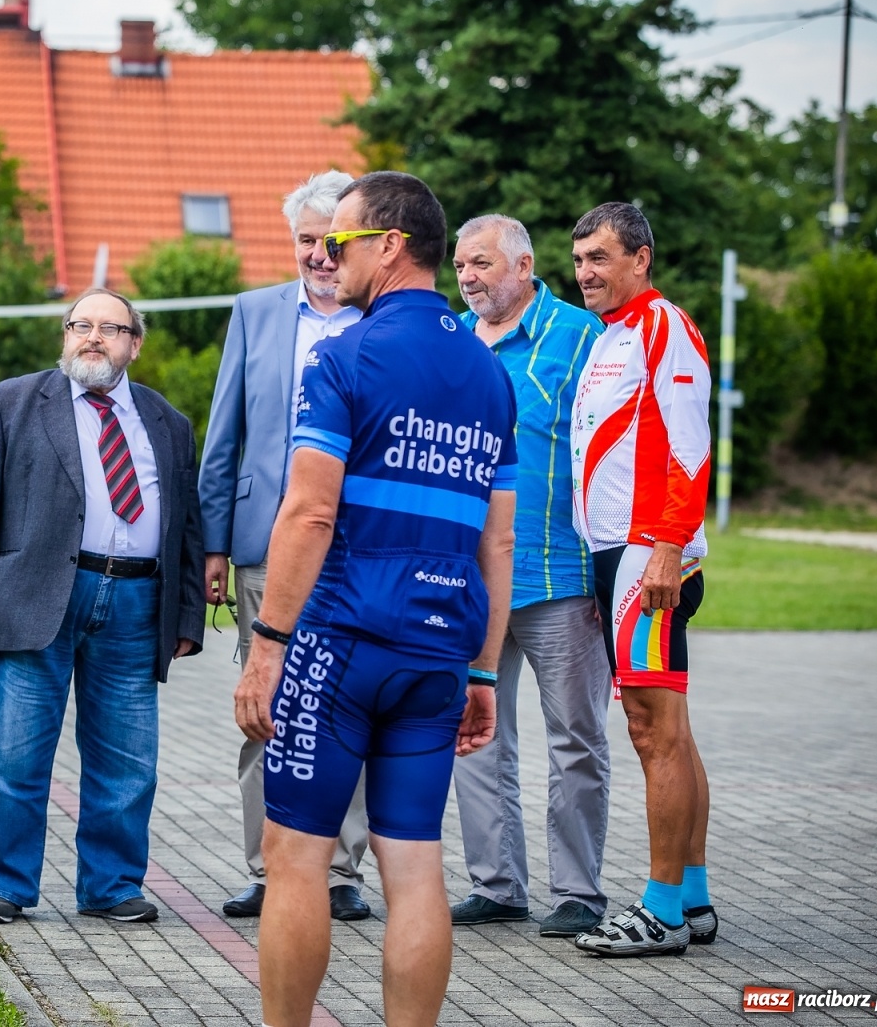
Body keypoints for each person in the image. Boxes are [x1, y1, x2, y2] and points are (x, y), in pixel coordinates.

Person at [233, 171, 517, 1027]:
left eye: (341, 240)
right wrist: (484, 674)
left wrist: (267, 645)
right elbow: (494, 542)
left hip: (340, 643)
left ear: (389, 245)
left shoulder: (343, 356)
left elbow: (311, 511)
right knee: (416, 866)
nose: (325, 254)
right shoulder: (488, 371)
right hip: (439, 648)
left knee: (294, 857)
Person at [0, 288, 205, 926]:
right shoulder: (9, 403)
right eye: (81, 325)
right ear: (65, 335)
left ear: (134, 344)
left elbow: (188, 527)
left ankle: (112, 886)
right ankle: (2, 884)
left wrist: (187, 615)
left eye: (110, 328)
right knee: (12, 752)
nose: (94, 337)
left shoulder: (168, 422)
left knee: (128, 757)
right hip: (32, 598)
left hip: (137, 600)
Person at [199, 171, 373, 922]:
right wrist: (213, 544)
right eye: (307, 241)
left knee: (344, 706)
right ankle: (268, 869)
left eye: (333, 242)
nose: (320, 256)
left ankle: (340, 872)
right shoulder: (254, 312)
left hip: (359, 545)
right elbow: (224, 433)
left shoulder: (382, 319)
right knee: (263, 700)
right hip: (265, 544)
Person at [447, 215, 615, 939]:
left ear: (523, 265)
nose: (467, 278)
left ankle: (578, 889)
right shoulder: (450, 340)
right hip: (467, 580)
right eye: (458, 266)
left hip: (558, 573)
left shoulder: (581, 338)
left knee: (576, 736)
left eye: (480, 263)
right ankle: (496, 884)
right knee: (474, 734)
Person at [567, 202, 716, 958]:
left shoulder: (664, 326)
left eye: (601, 257)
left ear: (641, 259)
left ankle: (658, 911)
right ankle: (690, 896)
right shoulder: (609, 337)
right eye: (580, 259)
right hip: (615, 554)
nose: (587, 272)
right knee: (672, 730)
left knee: (652, 731)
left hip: (646, 557)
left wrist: (664, 550)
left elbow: (691, 450)